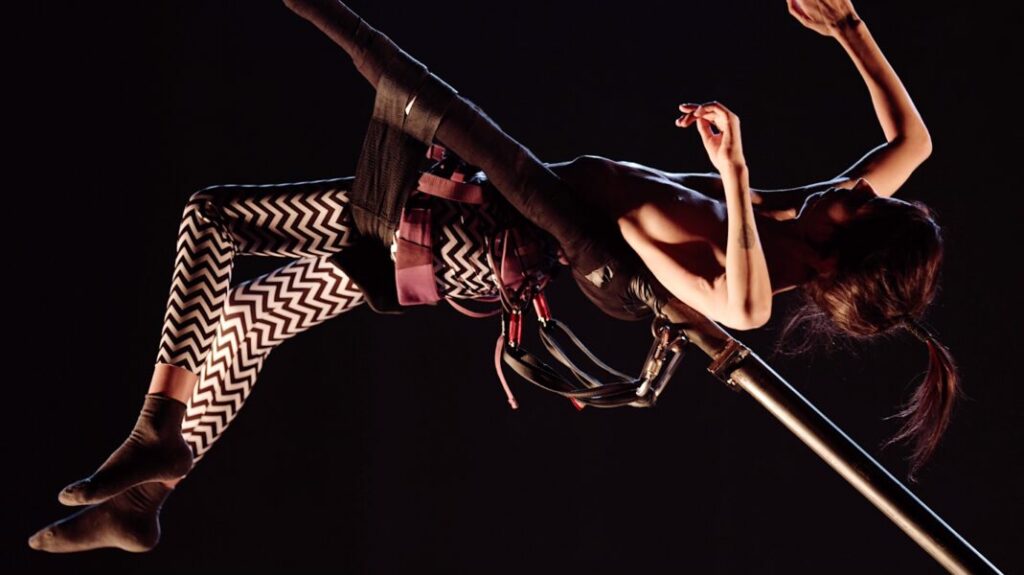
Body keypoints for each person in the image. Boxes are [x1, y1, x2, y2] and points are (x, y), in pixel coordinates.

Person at [28, 0, 959, 554]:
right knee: (248, 318)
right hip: (477, 227)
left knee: (216, 216)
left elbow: (745, 309)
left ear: (842, 257)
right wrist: (851, 27)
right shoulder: (792, 219)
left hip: (475, 238)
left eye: (860, 204)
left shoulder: (750, 256)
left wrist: (734, 165)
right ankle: (149, 497)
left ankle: (157, 434)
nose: (852, 184)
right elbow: (911, 142)